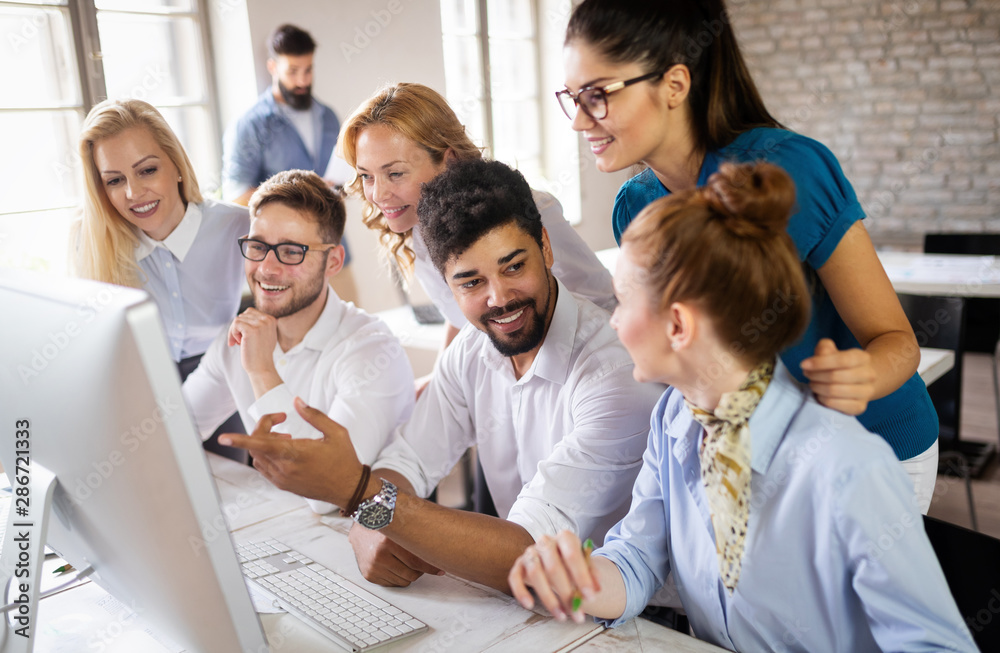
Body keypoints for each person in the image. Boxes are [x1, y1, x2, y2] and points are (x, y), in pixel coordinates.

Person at [507, 162, 975, 652]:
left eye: (623, 302)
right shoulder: (675, 418)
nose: (614, 322)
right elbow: (638, 558)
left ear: (679, 326)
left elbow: (938, 647)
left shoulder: (844, 466)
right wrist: (579, 579)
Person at [558, 0, 939, 512]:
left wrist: (862, 376)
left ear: (674, 84)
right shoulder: (635, 208)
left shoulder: (791, 170)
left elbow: (897, 342)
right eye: (572, 98)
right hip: (759, 459)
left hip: (874, 448)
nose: (580, 122)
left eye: (598, 96)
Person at [219, 159, 662, 592]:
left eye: (513, 267)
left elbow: (528, 550)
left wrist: (360, 496)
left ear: (545, 247)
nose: (499, 299)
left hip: (634, 623)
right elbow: (407, 461)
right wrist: (369, 527)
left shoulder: (614, 373)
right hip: (528, 607)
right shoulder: (472, 351)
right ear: (447, 285)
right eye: (470, 282)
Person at [183, 170, 414, 514]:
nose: (266, 269)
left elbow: (324, 494)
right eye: (258, 247)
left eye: (291, 251)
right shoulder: (237, 338)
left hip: (358, 540)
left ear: (332, 261)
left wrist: (261, 370)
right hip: (280, 528)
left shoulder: (373, 352)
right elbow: (173, 435)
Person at [338, 82, 616, 352]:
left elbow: (601, 303)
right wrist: (439, 385)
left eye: (395, 173)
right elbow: (460, 319)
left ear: (450, 160)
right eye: (366, 176)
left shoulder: (527, 214)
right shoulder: (419, 230)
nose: (378, 194)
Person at [74, 98, 247, 373]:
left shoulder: (238, 226)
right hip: (139, 376)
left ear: (176, 166)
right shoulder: (92, 240)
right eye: (115, 180)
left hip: (223, 371)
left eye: (147, 170)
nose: (134, 193)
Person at [222, 24, 355, 298]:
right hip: (284, 262)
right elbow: (235, 198)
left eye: (308, 70)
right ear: (273, 67)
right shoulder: (250, 126)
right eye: (293, 71)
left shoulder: (329, 117)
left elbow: (341, 182)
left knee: (354, 334)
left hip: (334, 253)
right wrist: (302, 191)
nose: (303, 80)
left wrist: (343, 186)